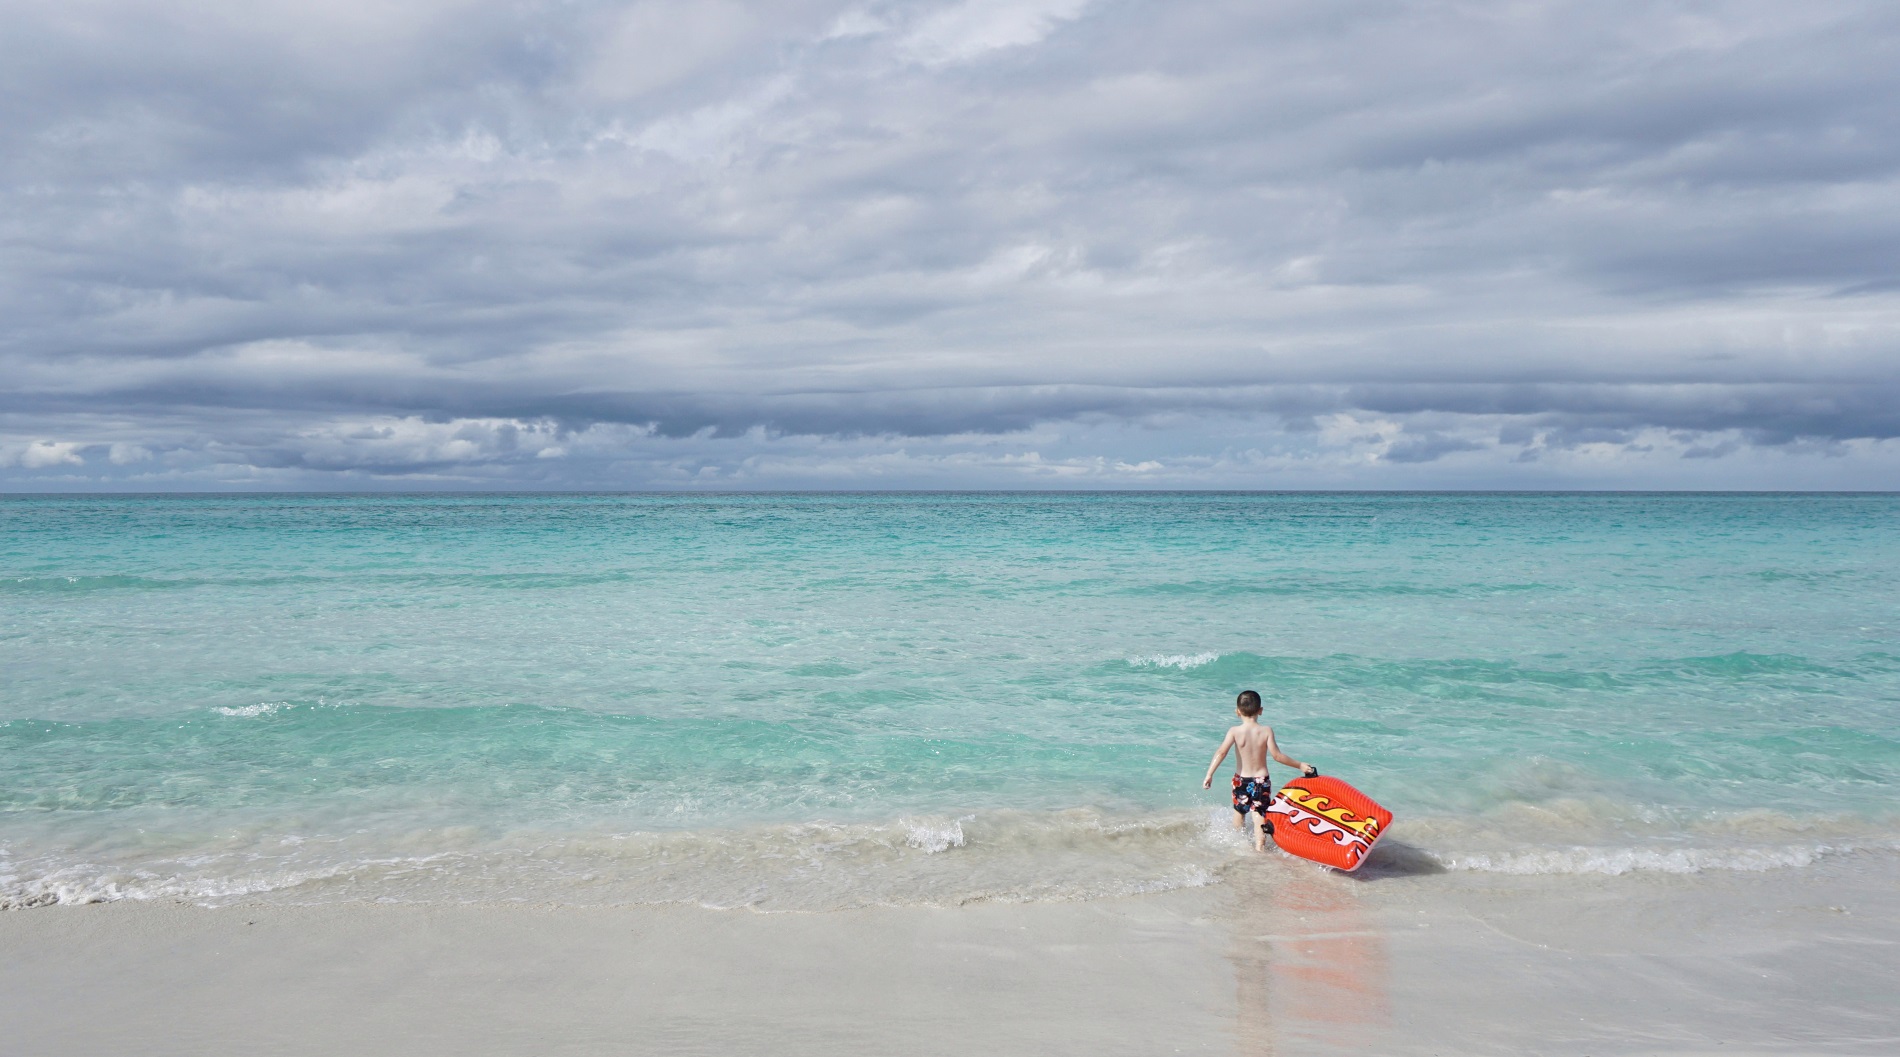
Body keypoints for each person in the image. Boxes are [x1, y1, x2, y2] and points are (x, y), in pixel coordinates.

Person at [1201, 689, 1318, 852]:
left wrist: (1209, 774)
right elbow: (1277, 756)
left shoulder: (1234, 731)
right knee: (1259, 815)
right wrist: (1300, 765)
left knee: (1239, 812)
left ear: (1237, 712)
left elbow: (1221, 752)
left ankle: (1238, 842)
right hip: (1261, 781)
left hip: (1241, 780)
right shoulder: (1266, 731)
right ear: (1260, 711)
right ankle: (1259, 848)